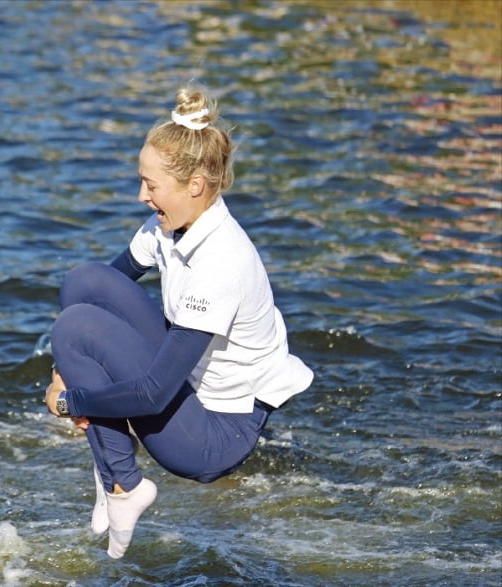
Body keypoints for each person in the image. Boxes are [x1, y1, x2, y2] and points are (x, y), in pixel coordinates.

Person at [43, 86, 313, 559]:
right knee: (84, 284)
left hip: (215, 435)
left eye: (151, 185)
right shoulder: (172, 225)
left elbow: (153, 394)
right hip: (189, 388)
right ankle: (111, 464)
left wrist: (69, 403)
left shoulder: (220, 264)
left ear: (195, 186)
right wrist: (62, 372)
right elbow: (102, 286)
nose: (141, 196)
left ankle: (124, 485)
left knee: (75, 330)